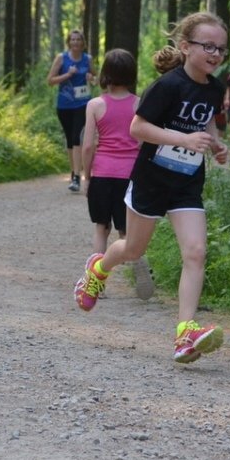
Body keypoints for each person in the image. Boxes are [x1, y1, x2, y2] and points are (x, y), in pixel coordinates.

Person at [74, 12, 230, 364]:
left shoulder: (216, 88)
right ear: (186, 47)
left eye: (222, 49)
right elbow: (138, 128)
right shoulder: (167, 86)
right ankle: (98, 270)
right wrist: (183, 139)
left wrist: (216, 145)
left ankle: (185, 333)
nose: (216, 54)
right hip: (151, 180)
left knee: (196, 252)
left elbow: (206, 120)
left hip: (186, 184)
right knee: (132, 249)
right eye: (208, 46)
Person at [79, 48, 154, 300]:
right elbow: (144, 142)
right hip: (130, 175)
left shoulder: (95, 105)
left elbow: (87, 146)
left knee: (101, 228)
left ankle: (96, 283)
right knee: (126, 232)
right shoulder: (139, 104)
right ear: (132, 73)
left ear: (105, 73)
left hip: (102, 173)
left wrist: (86, 176)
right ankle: (138, 263)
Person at [47, 29, 94, 193]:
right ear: (69, 42)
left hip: (83, 103)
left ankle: (77, 177)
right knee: (69, 140)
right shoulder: (61, 58)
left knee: (76, 137)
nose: (75, 42)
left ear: (83, 43)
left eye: (78, 39)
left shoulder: (88, 59)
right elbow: (50, 80)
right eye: (72, 39)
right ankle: (74, 172)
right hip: (65, 104)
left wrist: (92, 78)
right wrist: (67, 74)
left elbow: (96, 79)